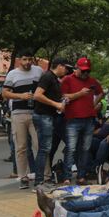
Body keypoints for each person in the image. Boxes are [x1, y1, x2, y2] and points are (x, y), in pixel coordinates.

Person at [3, 48, 44, 189]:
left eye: (29, 59)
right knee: (21, 147)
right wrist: (21, 96)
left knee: (40, 145)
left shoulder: (39, 71)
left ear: (33, 59)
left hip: (36, 113)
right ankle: (23, 177)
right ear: (19, 60)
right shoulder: (12, 74)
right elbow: (5, 93)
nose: (27, 62)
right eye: (24, 59)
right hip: (18, 114)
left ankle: (45, 175)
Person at [60, 57, 104, 185]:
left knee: (85, 149)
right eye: (83, 71)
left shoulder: (92, 81)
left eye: (87, 71)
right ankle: (67, 176)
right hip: (73, 119)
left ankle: (81, 176)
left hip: (89, 119)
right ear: (76, 68)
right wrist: (80, 93)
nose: (85, 74)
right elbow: (63, 96)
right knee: (71, 148)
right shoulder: (67, 80)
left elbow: (101, 93)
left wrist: (94, 103)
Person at [31, 57, 69, 188]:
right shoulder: (47, 76)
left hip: (48, 116)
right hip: (43, 116)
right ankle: (39, 182)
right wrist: (56, 104)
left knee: (45, 149)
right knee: (44, 149)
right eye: (65, 67)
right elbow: (37, 95)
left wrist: (62, 101)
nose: (66, 70)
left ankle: (42, 180)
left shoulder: (54, 79)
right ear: (59, 66)